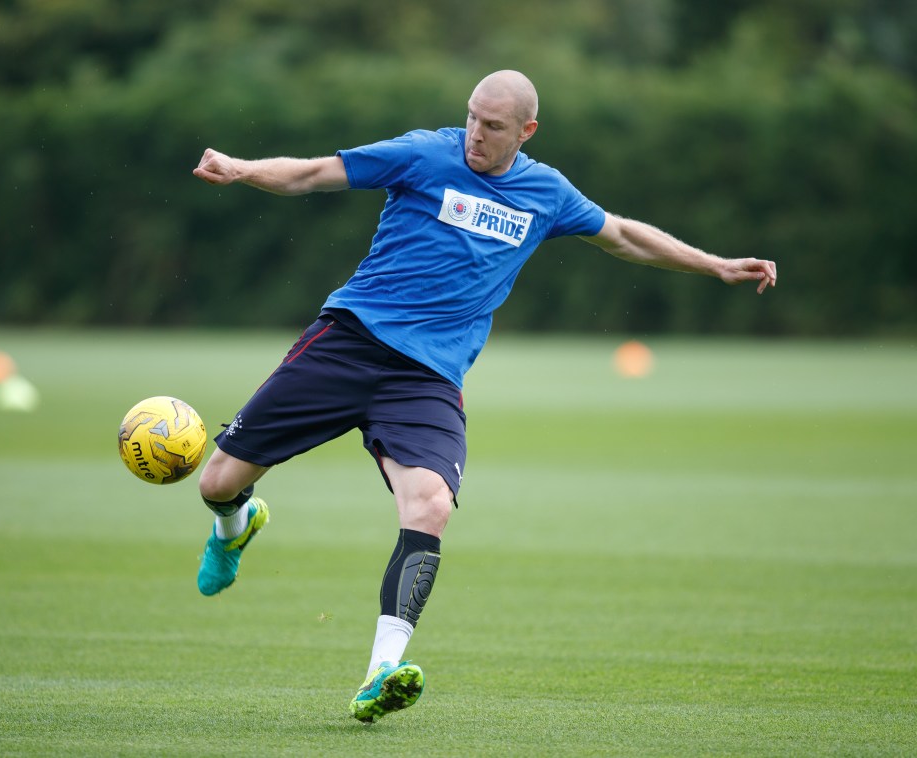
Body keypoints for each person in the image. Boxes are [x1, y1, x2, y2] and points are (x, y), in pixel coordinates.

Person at [191, 70, 777, 723]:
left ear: (526, 131)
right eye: (472, 116)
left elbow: (623, 235)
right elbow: (312, 174)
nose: (476, 132)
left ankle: (381, 669)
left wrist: (717, 265)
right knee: (216, 481)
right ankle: (234, 528)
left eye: (493, 125)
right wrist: (241, 168)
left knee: (432, 506)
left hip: (427, 378)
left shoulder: (545, 192)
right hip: (348, 342)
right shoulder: (424, 154)